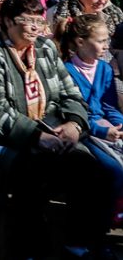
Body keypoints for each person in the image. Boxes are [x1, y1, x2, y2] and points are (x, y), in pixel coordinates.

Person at [0, 0, 113, 259]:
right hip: (1, 139)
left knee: (93, 172)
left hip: (50, 133)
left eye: (38, 20)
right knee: (31, 176)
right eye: (26, 20)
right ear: (8, 21)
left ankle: (81, 244)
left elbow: (70, 94)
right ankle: (32, 249)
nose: (34, 27)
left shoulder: (45, 48)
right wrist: (38, 137)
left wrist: (75, 125)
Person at [62, 13, 123, 225]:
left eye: (107, 40)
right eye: (101, 41)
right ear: (80, 42)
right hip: (84, 131)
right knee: (114, 168)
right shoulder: (67, 71)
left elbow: (109, 105)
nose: (106, 45)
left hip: (106, 127)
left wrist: (120, 122)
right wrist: (102, 131)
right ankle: (107, 218)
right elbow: (76, 112)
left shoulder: (105, 69)